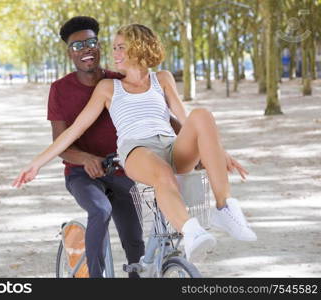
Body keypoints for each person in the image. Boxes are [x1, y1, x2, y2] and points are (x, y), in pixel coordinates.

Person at [13, 23, 257, 264]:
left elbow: (185, 119)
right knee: (161, 174)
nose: (114, 54)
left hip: (172, 147)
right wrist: (36, 164)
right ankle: (192, 232)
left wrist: (218, 152)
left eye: (121, 47)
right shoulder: (108, 87)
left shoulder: (162, 78)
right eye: (114, 48)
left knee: (202, 114)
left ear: (138, 48)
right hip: (137, 150)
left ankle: (224, 209)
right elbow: (73, 131)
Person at [30, 17, 148, 278]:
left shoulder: (118, 80)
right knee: (100, 209)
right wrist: (85, 159)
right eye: (77, 45)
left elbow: (154, 112)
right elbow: (61, 144)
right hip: (81, 174)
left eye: (91, 42)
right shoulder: (60, 90)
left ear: (99, 45)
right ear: (69, 52)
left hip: (120, 170)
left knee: (136, 245)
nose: (86, 49)